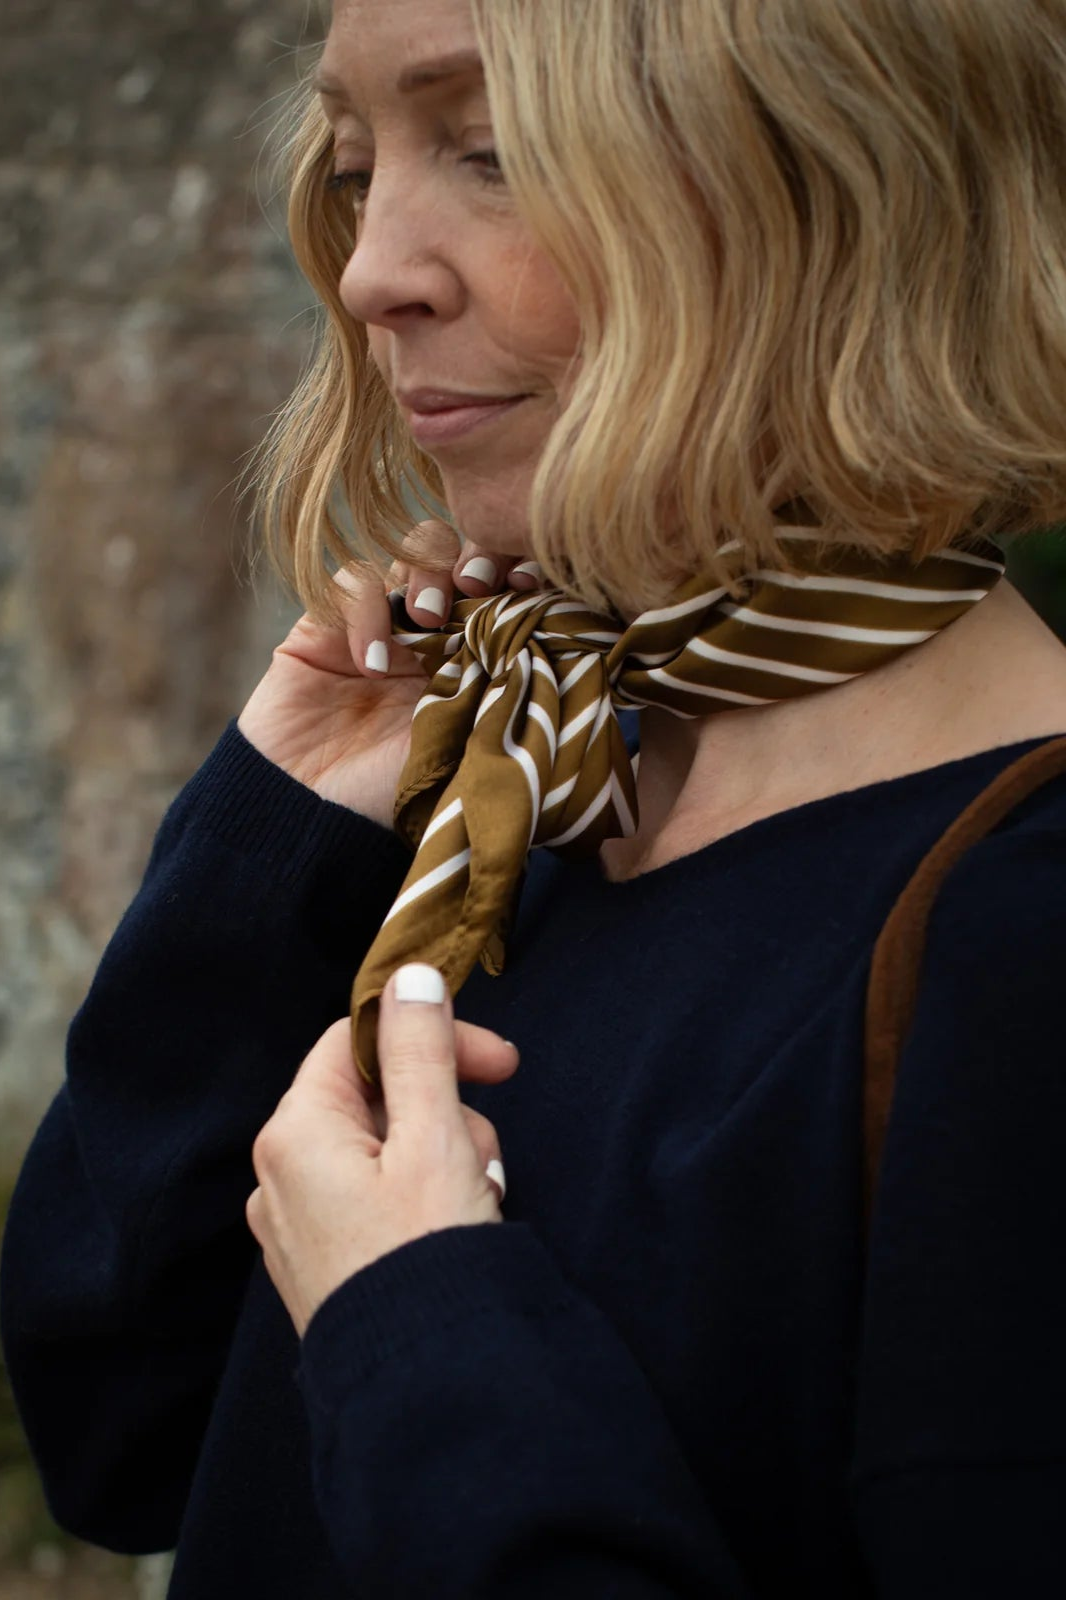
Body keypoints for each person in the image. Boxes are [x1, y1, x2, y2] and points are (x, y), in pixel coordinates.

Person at [2, 0, 1064, 1595]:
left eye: (492, 153)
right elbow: (122, 1432)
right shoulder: (527, 796)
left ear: (845, 187)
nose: (371, 274)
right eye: (358, 166)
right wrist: (263, 848)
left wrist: (415, 1322)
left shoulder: (1022, 932)